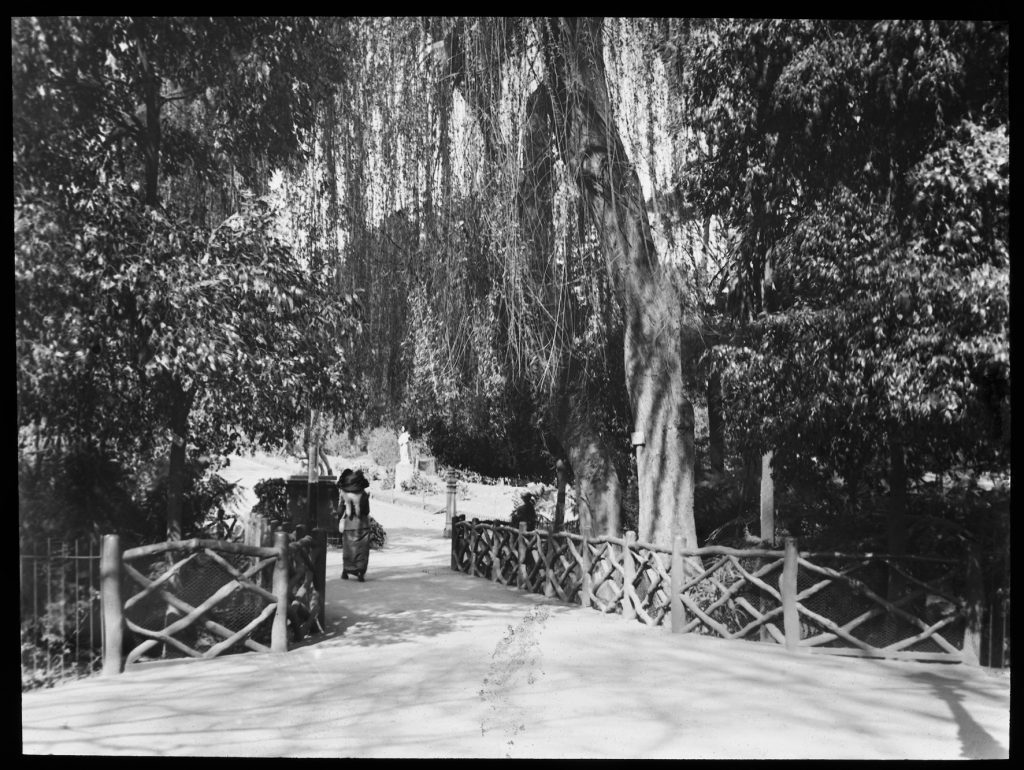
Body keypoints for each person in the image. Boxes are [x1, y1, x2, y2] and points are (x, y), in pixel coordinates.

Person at [338, 468, 372, 582]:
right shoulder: (363, 495)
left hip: (349, 526)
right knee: (361, 550)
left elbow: (339, 511)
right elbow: (367, 511)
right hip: (362, 525)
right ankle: (360, 572)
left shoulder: (344, 495)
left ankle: (346, 570)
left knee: (348, 549)